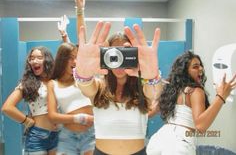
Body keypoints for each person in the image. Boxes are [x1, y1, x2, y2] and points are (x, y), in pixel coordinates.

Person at [73, 19, 162, 155]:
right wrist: (83, 75)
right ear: (105, 56)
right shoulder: (99, 86)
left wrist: (152, 76)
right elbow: (86, 87)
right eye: (114, 55)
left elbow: (154, 92)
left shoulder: (143, 87)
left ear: (134, 56)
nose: (119, 61)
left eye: (125, 55)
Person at [146, 51, 236, 155]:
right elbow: (201, 126)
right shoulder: (195, 91)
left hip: (158, 141)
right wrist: (221, 96)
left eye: (200, 66)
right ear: (185, 71)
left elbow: (148, 113)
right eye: (195, 67)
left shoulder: (169, 90)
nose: (201, 69)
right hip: (179, 145)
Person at [1, 46, 59, 155]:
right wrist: (26, 120)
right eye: (31, 58)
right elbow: (7, 107)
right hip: (37, 136)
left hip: (58, 135)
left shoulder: (56, 81)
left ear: (47, 60)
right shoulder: (27, 84)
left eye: (39, 57)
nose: (34, 61)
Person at [47, 42, 95, 155]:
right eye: (71, 58)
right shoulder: (53, 84)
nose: (75, 61)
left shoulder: (84, 78)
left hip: (91, 134)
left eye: (77, 58)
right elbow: (52, 116)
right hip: (67, 137)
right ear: (61, 60)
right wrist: (80, 118)